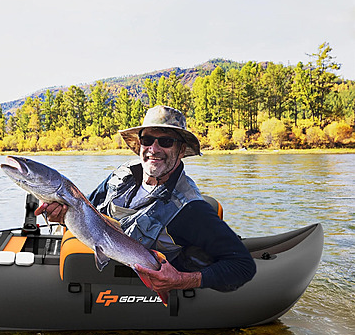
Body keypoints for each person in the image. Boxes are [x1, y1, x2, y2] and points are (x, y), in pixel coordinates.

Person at [36, 105, 256, 294]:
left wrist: (181, 280)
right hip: (96, 268)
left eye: (166, 141)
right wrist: (62, 217)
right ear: (139, 144)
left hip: (136, 286)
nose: (154, 149)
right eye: (147, 140)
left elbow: (243, 265)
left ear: (181, 150)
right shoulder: (121, 175)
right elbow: (88, 213)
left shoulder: (191, 209)